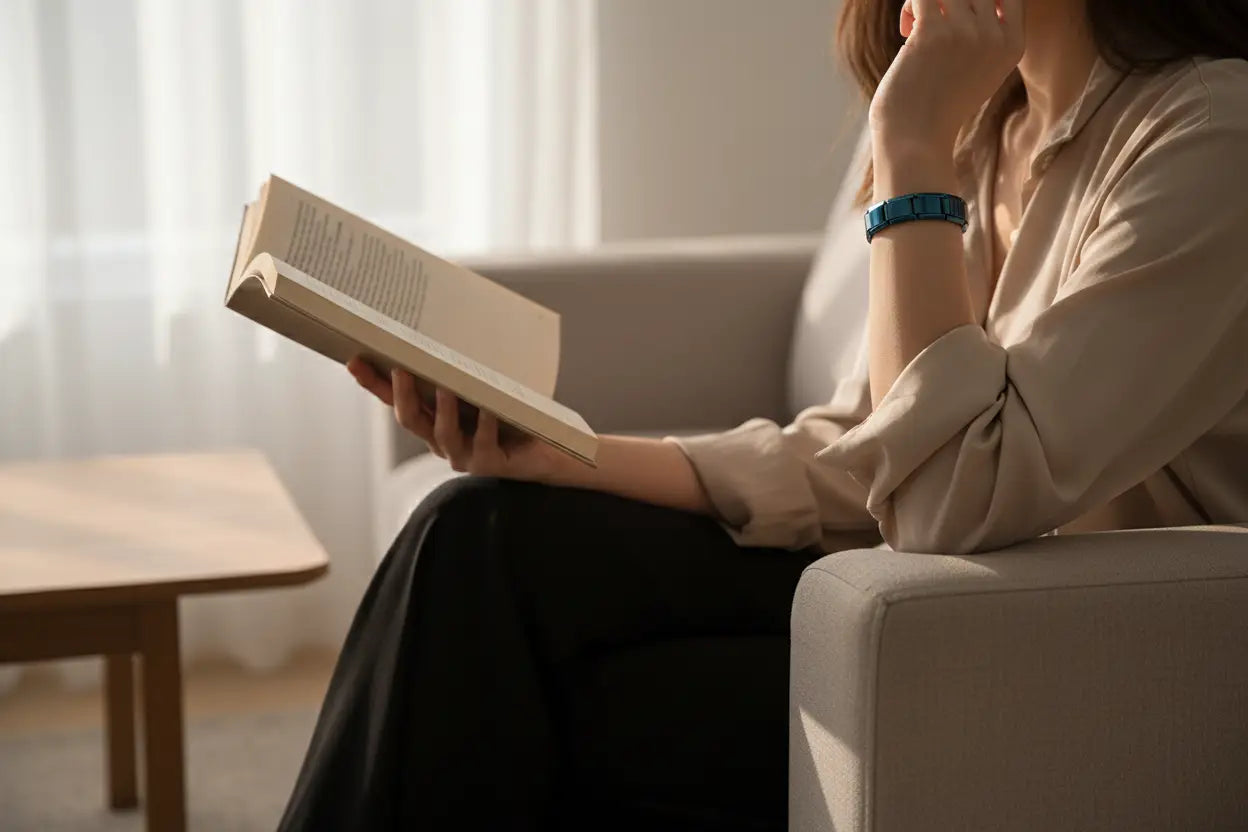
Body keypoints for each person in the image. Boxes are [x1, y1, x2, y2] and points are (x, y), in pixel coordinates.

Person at [278, 0, 1248, 828]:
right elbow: (869, 449)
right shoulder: (991, 121)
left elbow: (943, 499)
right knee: (478, 531)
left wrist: (911, 148)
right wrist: (567, 453)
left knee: (574, 704)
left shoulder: (1209, 135)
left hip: (1059, 652)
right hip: (927, 595)